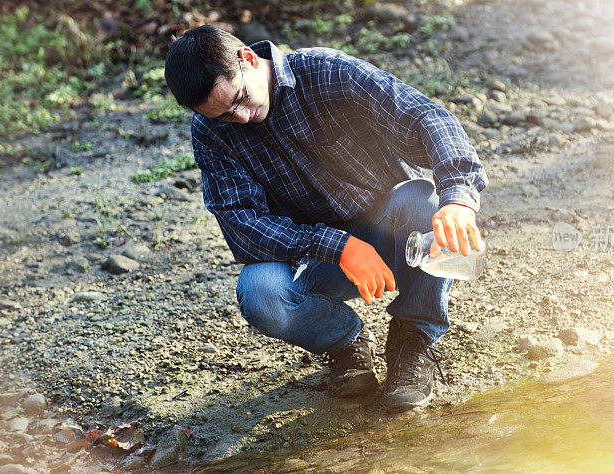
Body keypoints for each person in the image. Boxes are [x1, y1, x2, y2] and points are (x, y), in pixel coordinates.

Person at [164, 25, 487, 411]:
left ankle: (413, 340)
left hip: (399, 235)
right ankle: (345, 341)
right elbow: (242, 223)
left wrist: (460, 197)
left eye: (242, 99)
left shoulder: (327, 72)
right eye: (227, 116)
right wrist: (339, 247)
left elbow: (426, 117)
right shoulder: (210, 132)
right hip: (323, 261)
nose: (244, 117)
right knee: (260, 293)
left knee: (425, 199)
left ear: (248, 59)